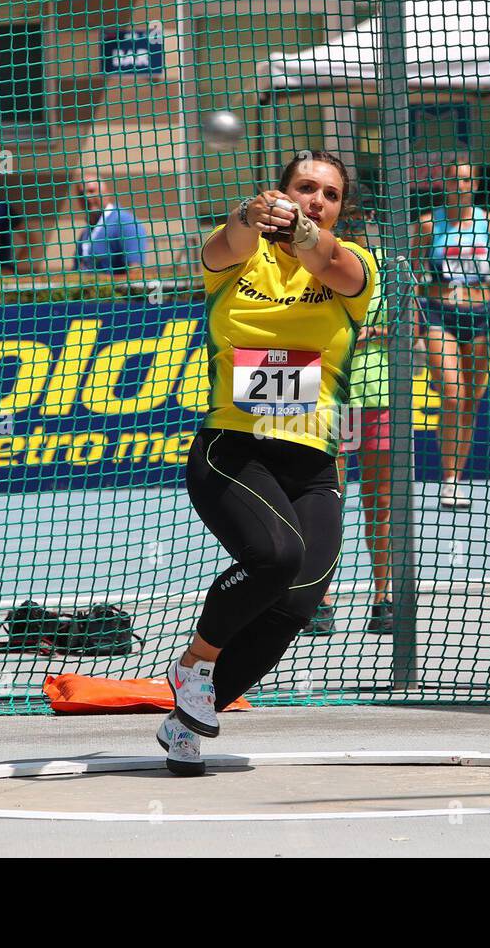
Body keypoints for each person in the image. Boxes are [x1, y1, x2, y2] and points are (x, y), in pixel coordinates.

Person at [158, 150, 378, 775]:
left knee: (301, 595)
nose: (316, 199)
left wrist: (306, 231)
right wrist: (248, 215)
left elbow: (327, 259)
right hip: (235, 449)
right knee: (275, 558)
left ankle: (188, 719)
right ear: (277, 193)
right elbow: (223, 242)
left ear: (342, 208)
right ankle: (196, 663)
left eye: (329, 194)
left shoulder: (359, 263)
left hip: (311, 461)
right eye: (304, 188)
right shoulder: (241, 255)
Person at [304, 212, 395, 637]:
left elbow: (406, 330)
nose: (357, 238)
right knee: (326, 505)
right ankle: (320, 599)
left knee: (379, 504)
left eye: (364, 230)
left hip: (377, 396)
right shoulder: (310, 270)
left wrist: (362, 331)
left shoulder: (389, 272)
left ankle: (384, 599)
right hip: (325, 401)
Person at [418, 159, 490, 511]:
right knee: (452, 395)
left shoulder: (488, 222)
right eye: (453, 178)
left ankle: (457, 479)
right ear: (444, 183)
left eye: (465, 180)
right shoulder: (429, 223)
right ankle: (447, 479)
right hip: (439, 313)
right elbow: (414, 271)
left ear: (474, 184)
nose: (459, 185)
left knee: (472, 400)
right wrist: (414, 318)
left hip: (480, 314)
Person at [72, 169, 149, 276]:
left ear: (106, 192)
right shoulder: (85, 233)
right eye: (81, 193)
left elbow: (135, 272)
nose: (86, 197)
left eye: (91, 191)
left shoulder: (126, 223)